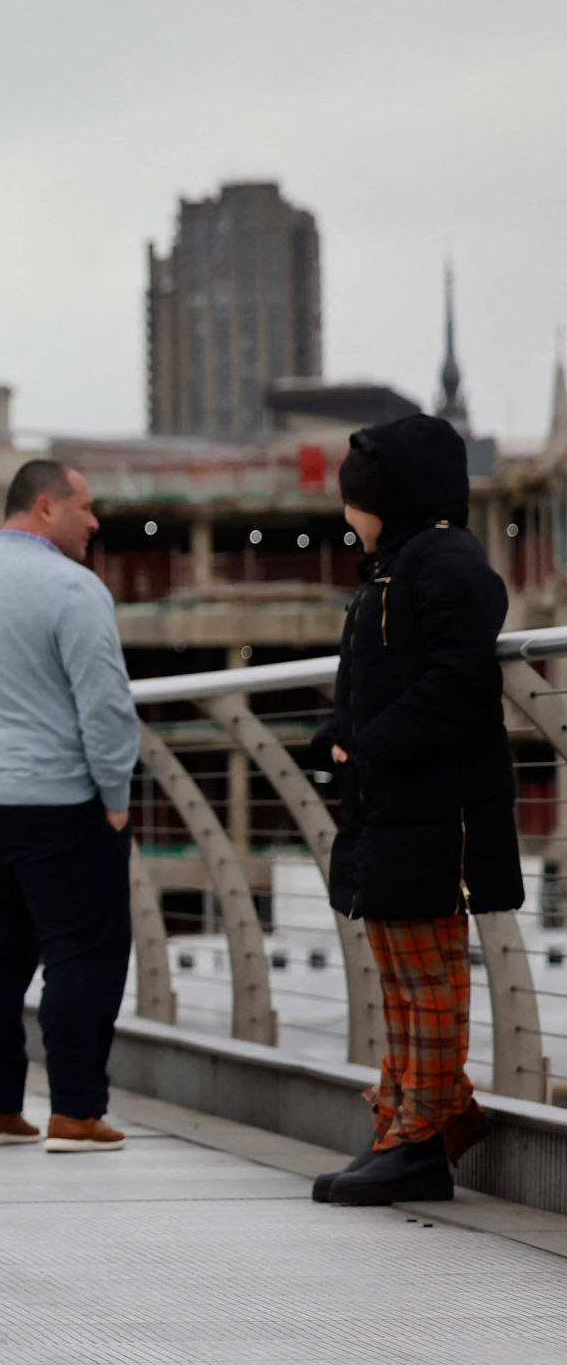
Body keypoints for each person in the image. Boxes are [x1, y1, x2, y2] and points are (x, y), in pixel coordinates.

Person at [306, 413, 519, 1205]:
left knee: (428, 974)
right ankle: (417, 1114)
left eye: (356, 503)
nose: (348, 519)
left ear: (392, 499)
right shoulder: (390, 572)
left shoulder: (448, 564)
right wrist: (342, 733)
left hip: (438, 809)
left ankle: (424, 1136)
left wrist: (373, 744)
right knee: (398, 970)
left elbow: (463, 681)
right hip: (394, 806)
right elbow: (363, 682)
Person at [0, 458, 137, 1153]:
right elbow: (104, 705)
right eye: (85, 506)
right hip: (56, 794)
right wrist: (114, 794)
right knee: (85, 950)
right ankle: (76, 1111)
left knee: (4, 945)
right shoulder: (74, 589)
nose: (94, 520)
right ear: (45, 508)